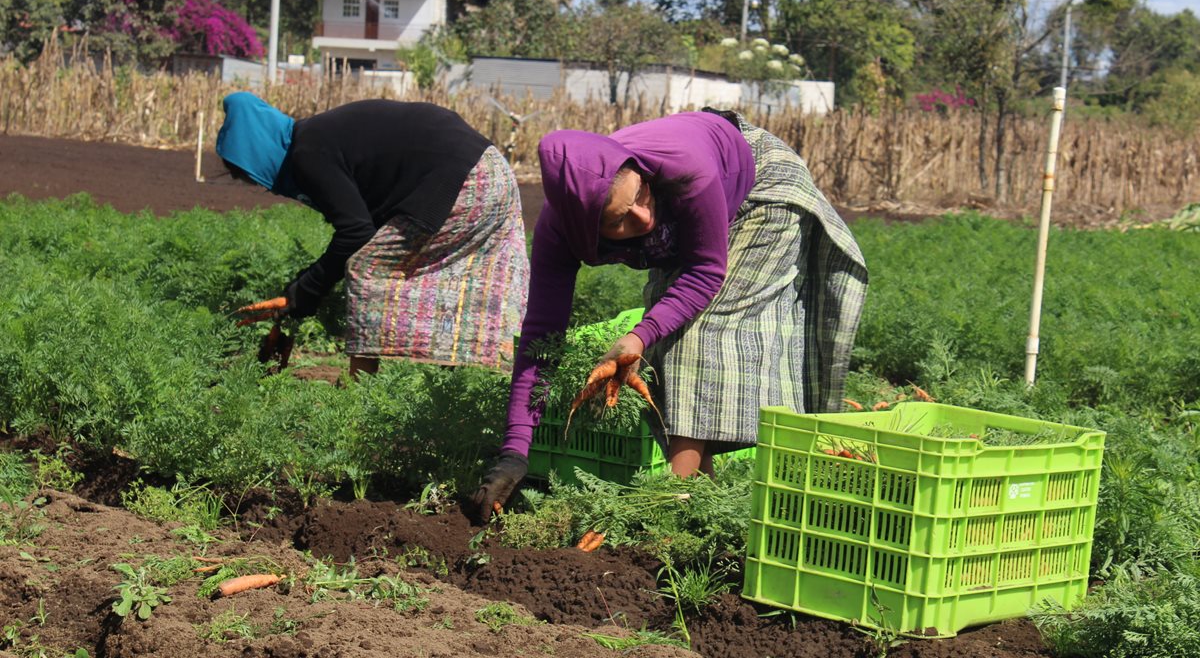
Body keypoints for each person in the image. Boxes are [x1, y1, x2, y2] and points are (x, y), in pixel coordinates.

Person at [471, 107, 868, 516]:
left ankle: (669, 508)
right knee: (662, 349)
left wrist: (639, 335)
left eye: (640, 196)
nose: (642, 217)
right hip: (692, 206)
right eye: (620, 219)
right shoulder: (559, 233)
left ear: (641, 174)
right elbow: (541, 335)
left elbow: (704, 272)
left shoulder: (686, 171)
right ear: (585, 227)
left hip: (759, 183)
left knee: (691, 333)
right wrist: (515, 452)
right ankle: (704, 504)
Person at [215, 93, 529, 375]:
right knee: (455, 279)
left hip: (465, 183)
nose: (265, 187)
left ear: (259, 152)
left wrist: (304, 291)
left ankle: (361, 391)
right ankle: (455, 385)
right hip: (493, 173)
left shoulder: (307, 152)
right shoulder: (318, 137)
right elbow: (367, 223)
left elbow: (355, 233)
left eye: (253, 176)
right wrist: (299, 297)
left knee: (367, 267)